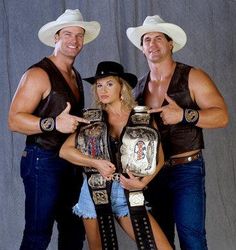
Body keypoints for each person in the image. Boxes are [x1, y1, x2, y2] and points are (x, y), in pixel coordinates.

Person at [126, 15, 229, 250]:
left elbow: (222, 116)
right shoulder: (138, 89)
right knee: (159, 241)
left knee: (191, 238)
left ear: (170, 43)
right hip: (154, 174)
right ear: (142, 48)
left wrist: (184, 115)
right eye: (147, 40)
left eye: (159, 38)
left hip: (187, 169)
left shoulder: (193, 76)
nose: (152, 44)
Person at [8, 9, 101, 250]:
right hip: (42, 160)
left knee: (73, 233)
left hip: (69, 162)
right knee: (38, 235)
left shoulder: (74, 75)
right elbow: (14, 120)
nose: (74, 40)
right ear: (55, 38)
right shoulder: (38, 73)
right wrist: (52, 123)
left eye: (79, 35)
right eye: (68, 34)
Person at [59, 61, 172, 250]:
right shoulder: (91, 119)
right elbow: (65, 151)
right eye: (99, 85)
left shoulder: (141, 117)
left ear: (122, 87)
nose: (103, 90)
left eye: (109, 84)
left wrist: (143, 183)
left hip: (127, 191)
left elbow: (159, 158)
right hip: (95, 191)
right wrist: (95, 163)